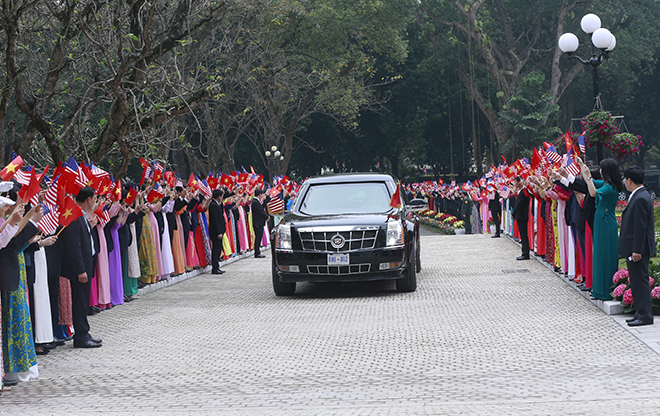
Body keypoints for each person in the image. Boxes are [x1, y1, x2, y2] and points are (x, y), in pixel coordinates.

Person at [60, 187, 103, 348]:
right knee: (79, 303)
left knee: (83, 302)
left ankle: (84, 331)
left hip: (87, 263)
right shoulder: (74, 216)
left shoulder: (82, 216)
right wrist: (80, 270)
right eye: (95, 198)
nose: (95, 202)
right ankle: (81, 336)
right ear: (89, 199)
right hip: (80, 268)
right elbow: (73, 246)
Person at [579, 157, 622, 301]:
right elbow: (589, 183)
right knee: (598, 253)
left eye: (602, 169)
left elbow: (593, 192)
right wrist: (582, 169)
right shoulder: (605, 183)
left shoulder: (612, 187)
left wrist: (589, 176)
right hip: (600, 219)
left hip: (605, 221)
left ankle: (606, 290)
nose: (601, 172)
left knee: (605, 254)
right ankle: (598, 289)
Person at [619, 166, 655, 327]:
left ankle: (645, 315)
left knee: (640, 281)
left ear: (629, 180)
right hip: (635, 247)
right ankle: (640, 312)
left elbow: (640, 227)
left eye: (625, 179)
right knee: (636, 281)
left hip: (638, 249)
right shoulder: (639, 195)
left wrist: (636, 250)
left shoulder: (640, 198)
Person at [511, 177, 530, 260]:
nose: (514, 183)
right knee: (523, 234)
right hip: (521, 215)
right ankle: (524, 252)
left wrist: (513, 213)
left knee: (523, 235)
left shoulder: (524, 192)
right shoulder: (521, 192)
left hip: (522, 215)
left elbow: (519, 204)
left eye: (515, 181)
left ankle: (525, 253)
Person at [208, 189, 226, 274]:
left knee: (218, 249)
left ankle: (217, 266)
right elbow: (215, 221)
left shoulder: (217, 204)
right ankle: (215, 268)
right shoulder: (213, 205)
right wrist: (219, 232)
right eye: (221, 196)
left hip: (219, 231)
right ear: (219, 196)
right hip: (216, 232)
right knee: (216, 249)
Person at [251, 188, 269, 258]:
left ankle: (258, 252)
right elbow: (260, 211)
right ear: (259, 194)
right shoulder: (255, 202)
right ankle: (257, 253)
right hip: (257, 223)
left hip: (259, 222)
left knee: (259, 237)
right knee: (258, 238)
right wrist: (266, 216)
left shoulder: (257, 201)